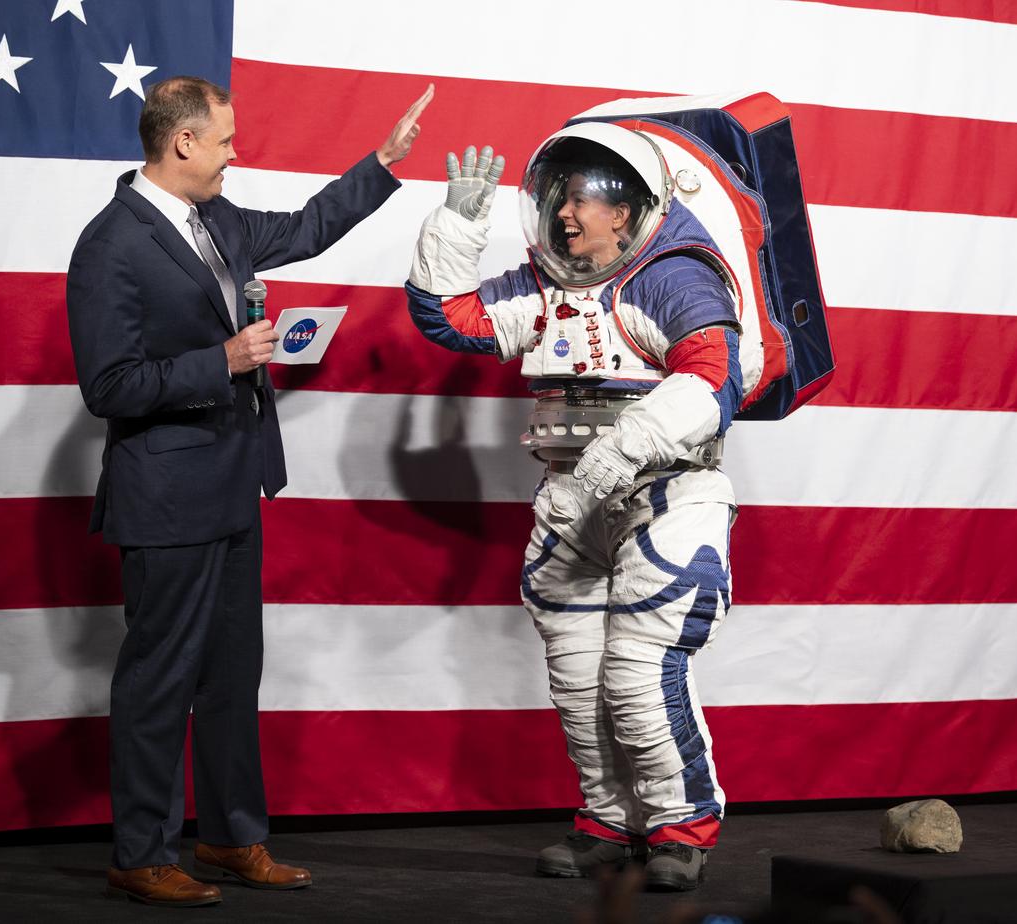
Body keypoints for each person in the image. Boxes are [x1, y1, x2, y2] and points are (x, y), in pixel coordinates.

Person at [67, 75, 432, 907]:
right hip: (164, 496)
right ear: (183, 143)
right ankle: (143, 852)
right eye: (226, 141)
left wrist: (382, 161)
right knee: (159, 679)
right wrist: (222, 362)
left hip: (234, 482)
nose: (237, 154)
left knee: (233, 675)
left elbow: (306, 229)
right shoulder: (110, 244)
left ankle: (232, 838)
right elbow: (109, 385)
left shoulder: (218, 220)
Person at [404, 123, 757, 891]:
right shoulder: (544, 288)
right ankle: (606, 821)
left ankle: (681, 824)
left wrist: (615, 457)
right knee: (577, 675)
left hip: (664, 499)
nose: (564, 213)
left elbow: (711, 382)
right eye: (557, 198)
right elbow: (450, 319)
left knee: (639, 672)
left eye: (582, 200)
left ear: (626, 212)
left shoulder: (674, 277)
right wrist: (457, 224)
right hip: (572, 500)